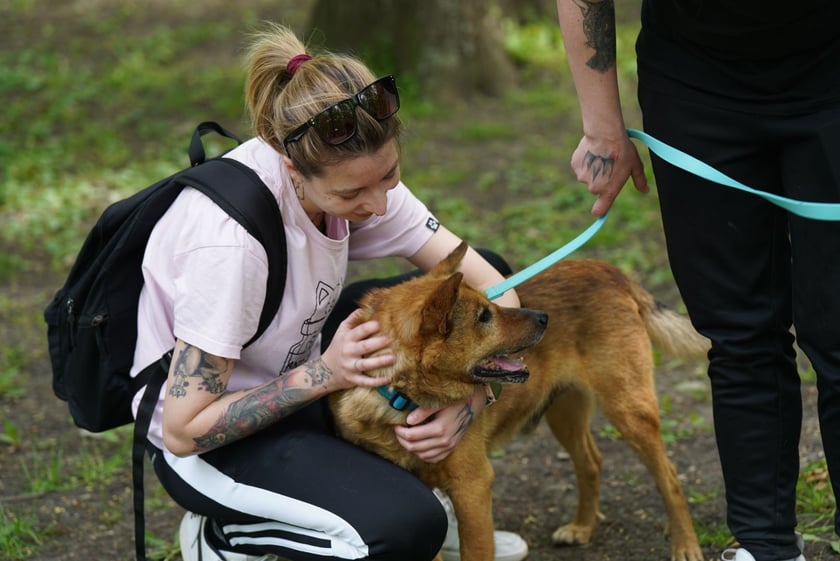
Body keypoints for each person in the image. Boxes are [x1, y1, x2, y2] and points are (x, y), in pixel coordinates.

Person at [129, 22, 530, 561]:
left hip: (300, 367)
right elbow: (184, 430)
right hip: (212, 443)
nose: (379, 205)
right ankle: (227, 535)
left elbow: (498, 288)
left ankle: (393, 490)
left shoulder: (353, 167)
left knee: (477, 288)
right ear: (290, 167)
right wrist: (327, 374)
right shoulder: (230, 248)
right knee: (408, 527)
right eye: (353, 194)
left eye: (389, 175)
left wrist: (473, 398)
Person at [555, 1, 840, 560]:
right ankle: (765, 544)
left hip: (831, 75)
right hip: (695, 86)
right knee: (739, 333)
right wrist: (602, 124)